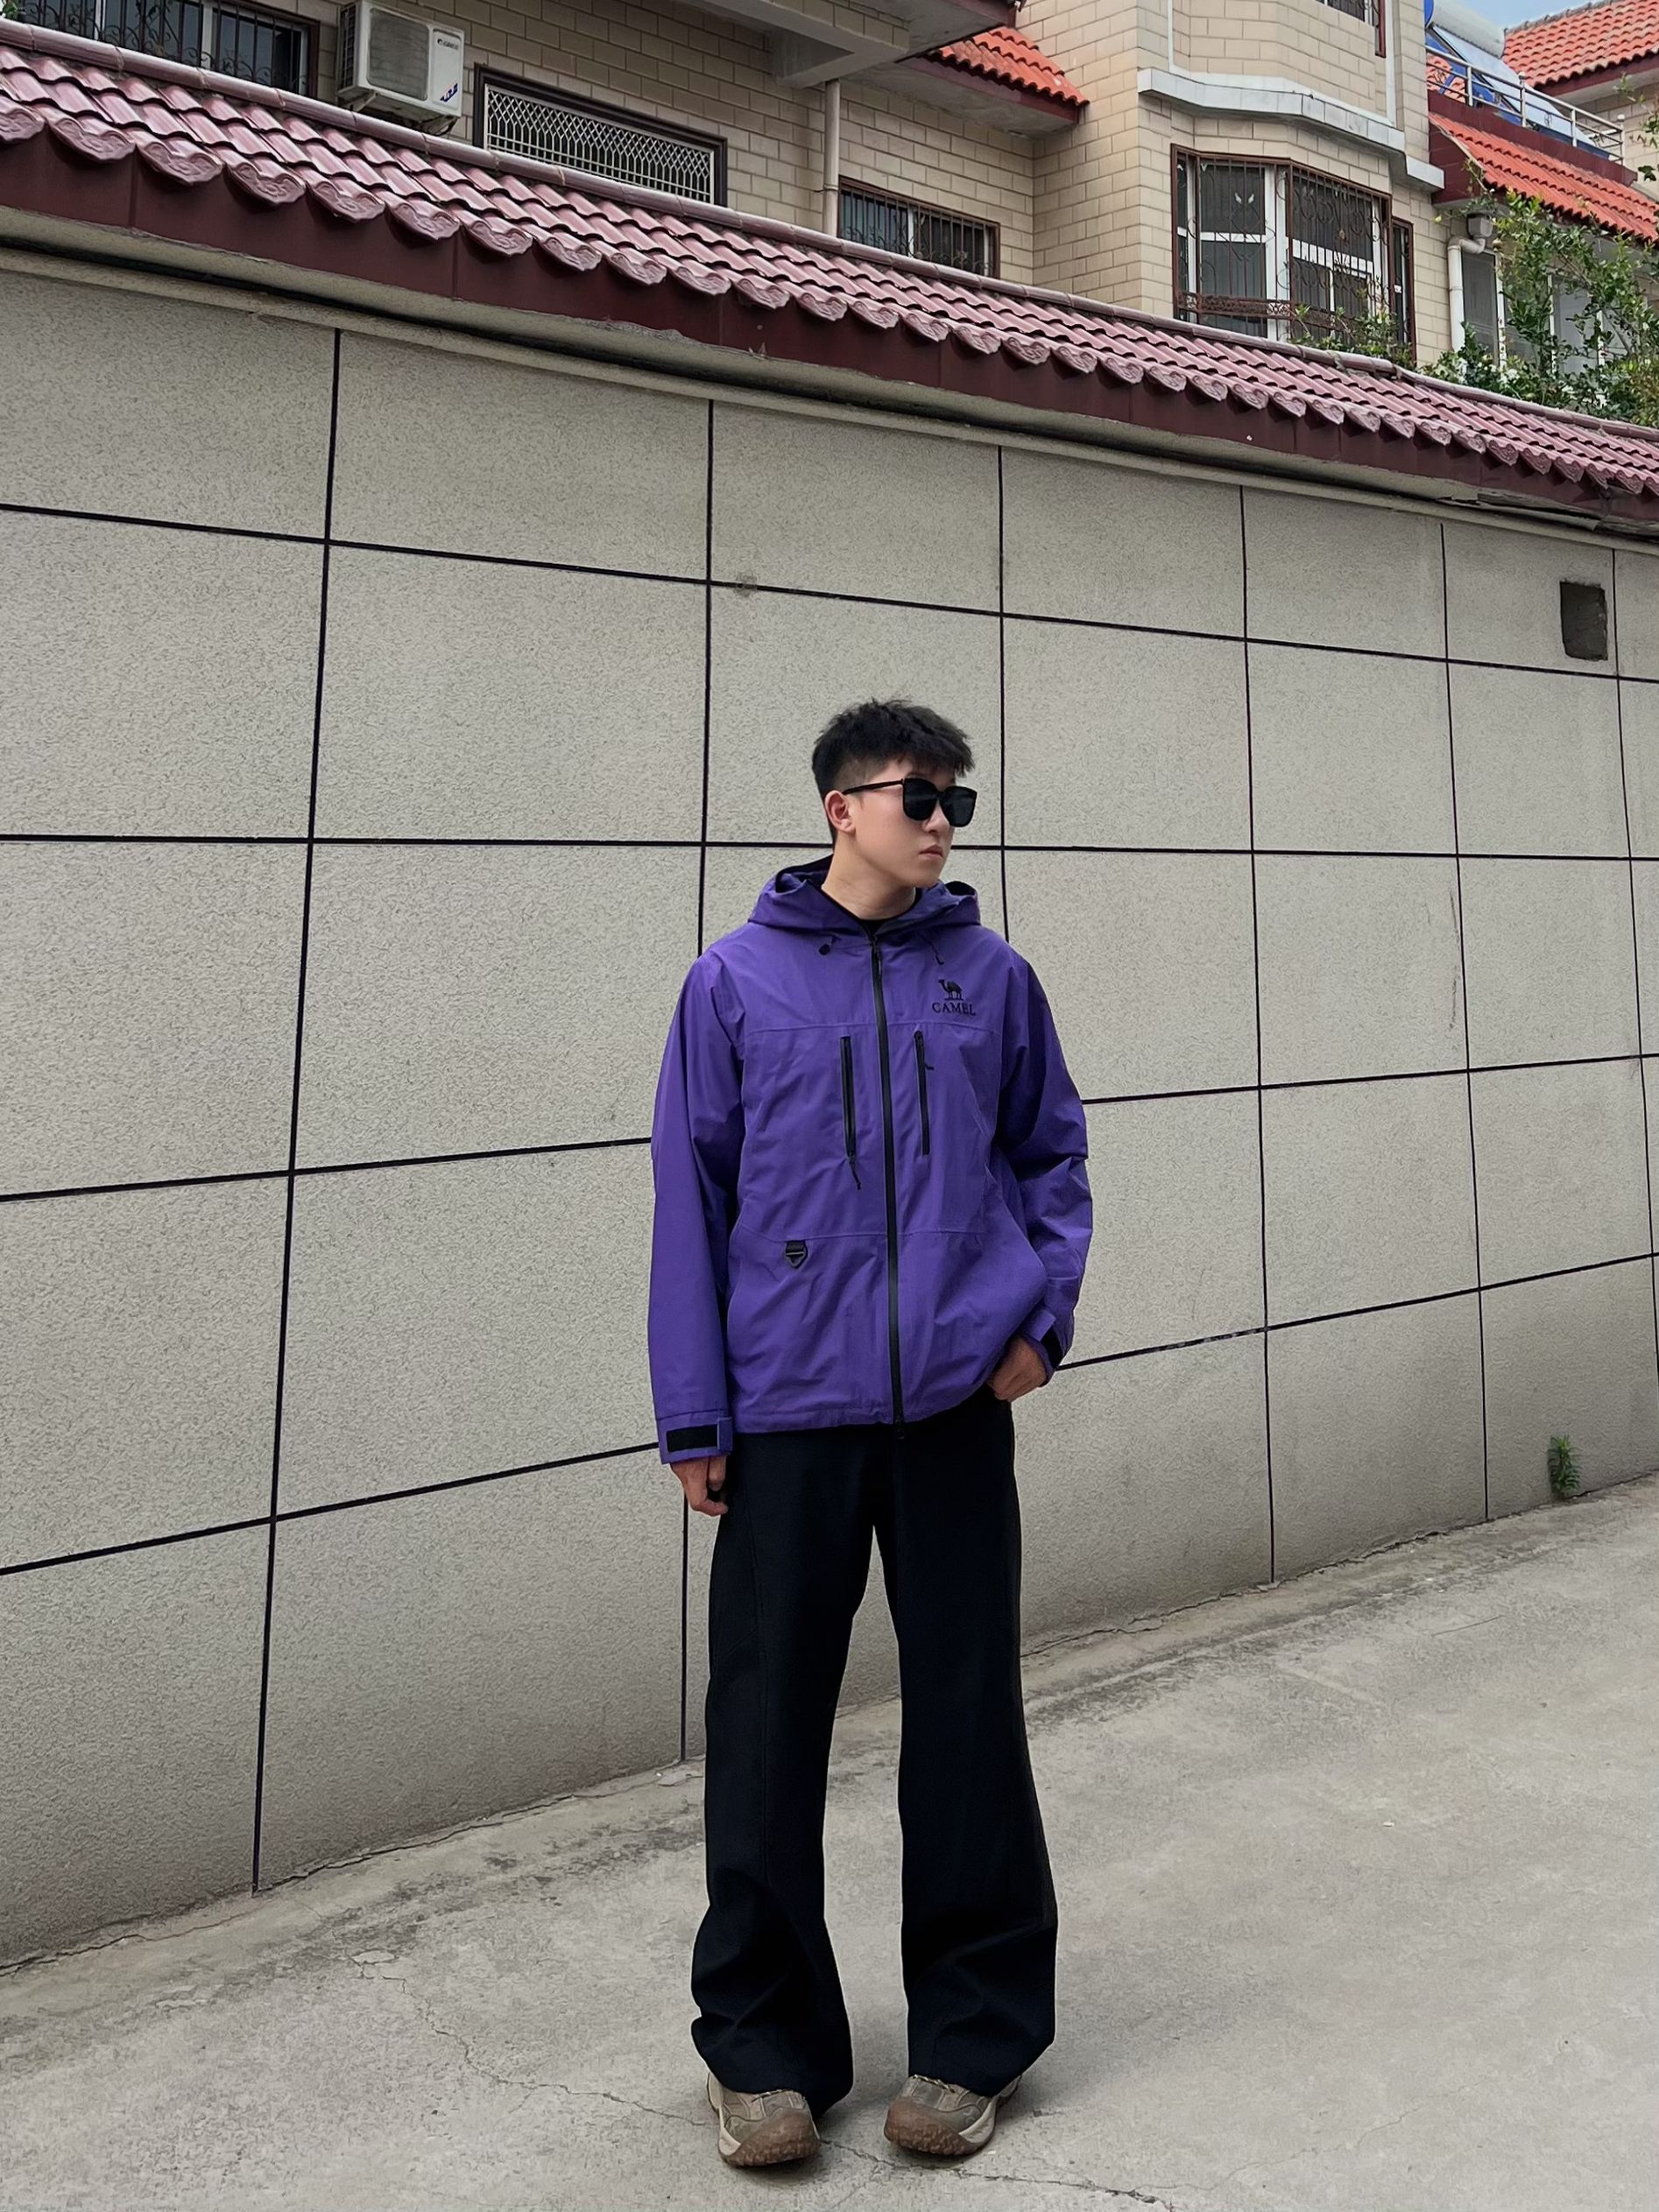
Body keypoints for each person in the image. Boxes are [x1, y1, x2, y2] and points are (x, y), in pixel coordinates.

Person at [648, 699, 1092, 2169]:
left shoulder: (993, 979)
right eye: (919, 795)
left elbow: (1051, 1156)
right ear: (841, 806)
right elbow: (690, 1202)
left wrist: (1038, 1322)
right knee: (765, 1732)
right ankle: (761, 2049)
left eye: (958, 798)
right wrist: (693, 1409)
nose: (944, 820)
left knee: (967, 1722)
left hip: (953, 1409)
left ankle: (973, 2037)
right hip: (787, 1415)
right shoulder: (731, 983)